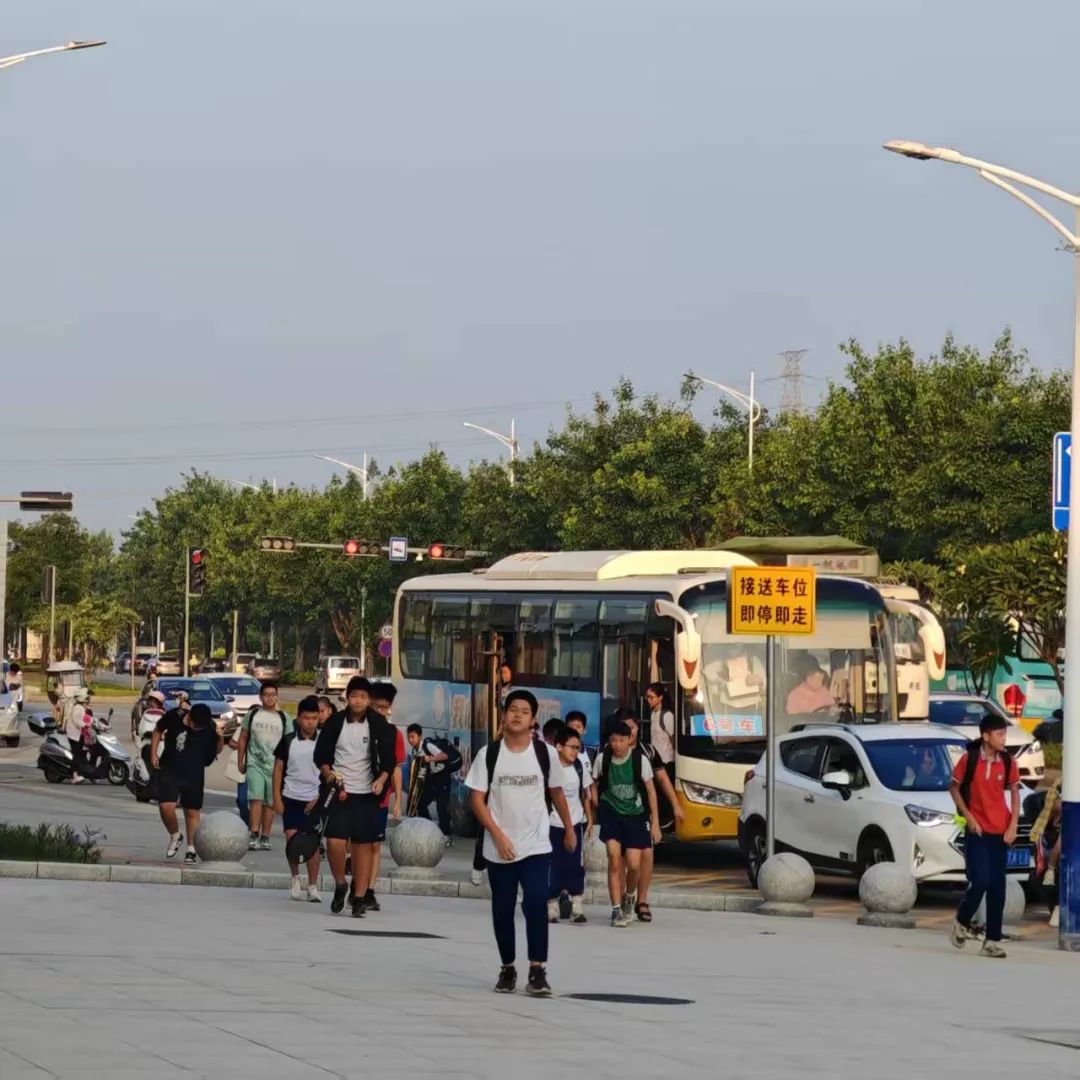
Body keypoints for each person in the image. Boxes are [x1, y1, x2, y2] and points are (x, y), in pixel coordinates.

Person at [466, 690, 575, 996]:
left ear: (533, 719)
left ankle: (538, 970)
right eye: (512, 709)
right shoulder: (489, 754)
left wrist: (569, 827)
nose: (517, 715)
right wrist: (498, 835)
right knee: (502, 909)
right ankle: (507, 967)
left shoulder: (545, 753)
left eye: (524, 711)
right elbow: (476, 799)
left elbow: (556, 792)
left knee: (537, 902)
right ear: (505, 715)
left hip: (536, 844)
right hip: (498, 848)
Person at [314, 676, 397, 917]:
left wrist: (381, 781)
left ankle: (359, 896)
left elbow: (388, 761)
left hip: (367, 793)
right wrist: (329, 775)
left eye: (363, 696)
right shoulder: (335, 723)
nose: (358, 701)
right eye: (354, 696)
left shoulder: (380, 725)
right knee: (335, 842)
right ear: (347, 698)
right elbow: (321, 755)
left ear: (369, 699)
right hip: (340, 792)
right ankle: (341, 883)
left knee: (362, 845)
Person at [949, 711, 1020, 958]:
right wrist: (968, 817)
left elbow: (1014, 792)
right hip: (977, 830)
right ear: (986, 736)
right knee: (980, 881)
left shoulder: (1008, 761)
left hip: (1000, 832)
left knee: (997, 887)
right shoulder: (969, 760)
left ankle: (991, 941)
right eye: (1000, 734)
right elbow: (954, 787)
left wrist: (1012, 826)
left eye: (1005, 733)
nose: (1004, 738)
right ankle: (962, 919)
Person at [593, 719, 661, 928]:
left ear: (630, 740)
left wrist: (655, 823)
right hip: (611, 812)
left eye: (622, 740)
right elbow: (593, 784)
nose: (617, 745)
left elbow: (650, 791)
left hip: (636, 815)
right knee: (614, 858)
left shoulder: (640, 760)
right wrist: (597, 807)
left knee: (633, 864)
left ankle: (630, 897)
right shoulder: (603, 759)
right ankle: (615, 910)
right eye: (613, 740)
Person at [623, 711, 684, 923]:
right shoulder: (610, 751)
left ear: (638, 728)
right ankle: (626, 896)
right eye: (624, 727)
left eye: (632, 727)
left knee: (646, 856)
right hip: (619, 813)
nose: (629, 732)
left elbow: (662, 780)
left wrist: (676, 805)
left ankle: (642, 900)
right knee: (625, 860)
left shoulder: (648, 751)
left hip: (643, 815)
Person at [152, 702, 223, 863]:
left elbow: (216, 751)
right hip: (170, 768)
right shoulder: (175, 715)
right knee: (166, 806)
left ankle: (191, 849)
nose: (198, 729)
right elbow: (157, 730)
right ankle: (175, 835)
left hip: (194, 772)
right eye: (195, 725)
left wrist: (219, 738)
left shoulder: (209, 727)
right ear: (189, 717)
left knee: (192, 812)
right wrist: (154, 754)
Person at [272, 695, 323, 902]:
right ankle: (295, 878)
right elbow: (278, 769)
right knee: (292, 841)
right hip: (291, 796)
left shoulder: (324, 742)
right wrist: (276, 796)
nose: (309, 722)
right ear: (299, 718)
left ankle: (312, 885)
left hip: (314, 799)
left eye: (313, 718)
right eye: (306, 718)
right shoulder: (288, 740)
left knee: (313, 844)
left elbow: (332, 772)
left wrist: (320, 798)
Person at [237, 682, 292, 851]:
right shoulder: (253, 715)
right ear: (260, 697)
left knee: (270, 802)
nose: (270, 697)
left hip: (275, 766)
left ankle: (265, 835)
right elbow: (243, 738)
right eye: (266, 694)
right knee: (256, 798)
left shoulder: (284, 717)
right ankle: (254, 832)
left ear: (277, 696)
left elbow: (289, 743)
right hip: (255, 763)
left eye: (273, 694)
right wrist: (241, 760)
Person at [547, 723, 593, 925]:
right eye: (572, 747)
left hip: (576, 823)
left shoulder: (579, 767)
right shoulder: (549, 769)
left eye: (578, 748)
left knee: (575, 865)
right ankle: (552, 906)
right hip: (552, 824)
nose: (576, 752)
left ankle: (577, 906)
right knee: (553, 865)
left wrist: (589, 818)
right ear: (558, 746)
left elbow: (585, 794)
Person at [367, 682, 405, 909]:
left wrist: (397, 800)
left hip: (380, 798)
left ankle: (369, 889)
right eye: (377, 707)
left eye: (385, 708)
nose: (381, 712)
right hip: (354, 795)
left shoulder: (395, 734)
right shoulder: (358, 730)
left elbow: (397, 768)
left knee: (374, 845)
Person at [406, 723, 456, 842]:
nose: (410, 740)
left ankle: (446, 836)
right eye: (409, 737)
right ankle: (428, 828)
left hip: (442, 778)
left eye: (413, 737)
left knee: (441, 808)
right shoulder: (414, 751)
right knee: (421, 803)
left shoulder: (428, 746)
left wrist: (431, 758)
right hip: (431, 779)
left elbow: (444, 755)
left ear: (420, 736)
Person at [644, 684, 677, 830]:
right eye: (647, 697)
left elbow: (673, 739)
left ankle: (668, 820)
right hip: (655, 759)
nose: (649, 700)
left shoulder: (667, 715)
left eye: (651, 697)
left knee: (665, 793)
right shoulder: (653, 714)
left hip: (666, 760)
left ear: (660, 698)